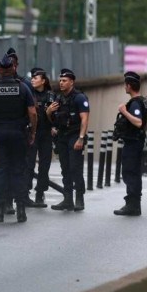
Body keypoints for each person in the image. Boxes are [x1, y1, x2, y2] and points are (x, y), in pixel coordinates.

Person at [0, 55, 37, 223]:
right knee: (18, 170)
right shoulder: (23, 88)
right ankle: (21, 209)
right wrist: (33, 132)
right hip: (18, 133)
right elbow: (32, 113)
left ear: (0, 69)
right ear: (13, 69)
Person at [46, 68, 89, 212]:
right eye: (60, 80)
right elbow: (54, 120)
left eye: (64, 81)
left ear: (72, 82)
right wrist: (48, 113)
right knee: (65, 169)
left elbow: (84, 119)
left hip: (75, 135)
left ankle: (79, 199)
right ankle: (68, 199)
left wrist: (81, 138)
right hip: (62, 136)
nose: (61, 83)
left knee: (75, 168)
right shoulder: (58, 99)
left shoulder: (79, 97)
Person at [113, 71, 147, 217]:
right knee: (134, 172)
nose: (124, 87)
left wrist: (123, 111)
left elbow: (138, 122)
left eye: (125, 84)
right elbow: (146, 123)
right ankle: (134, 205)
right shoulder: (144, 101)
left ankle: (132, 205)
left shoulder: (135, 103)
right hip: (137, 140)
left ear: (129, 85)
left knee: (129, 172)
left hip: (133, 142)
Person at [25, 68, 56, 208]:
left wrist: (51, 118)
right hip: (32, 133)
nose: (32, 79)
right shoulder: (28, 94)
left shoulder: (50, 96)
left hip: (45, 133)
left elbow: (56, 118)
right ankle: (25, 193)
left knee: (44, 165)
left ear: (43, 81)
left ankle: (40, 192)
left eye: (36, 78)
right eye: (32, 77)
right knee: (29, 164)